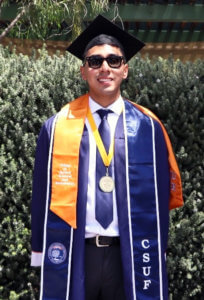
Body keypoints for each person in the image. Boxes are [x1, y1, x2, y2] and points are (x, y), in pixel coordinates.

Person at [31, 15, 183, 300]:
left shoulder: (148, 128)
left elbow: (160, 199)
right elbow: (41, 192)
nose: (105, 68)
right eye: (94, 61)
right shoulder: (57, 127)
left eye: (114, 60)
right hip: (77, 252)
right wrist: (39, 249)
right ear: (83, 71)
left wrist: (158, 248)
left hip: (131, 252)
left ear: (125, 70)